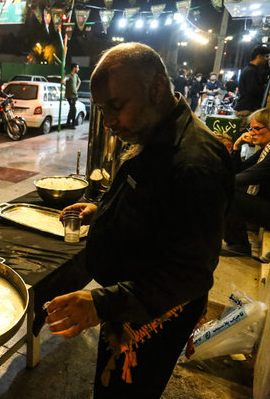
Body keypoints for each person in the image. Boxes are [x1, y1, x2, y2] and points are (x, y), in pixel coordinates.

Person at [45, 43, 233, 398]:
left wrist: (100, 303)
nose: (109, 121)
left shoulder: (194, 163)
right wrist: (101, 210)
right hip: (127, 301)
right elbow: (153, 206)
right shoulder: (153, 133)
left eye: (116, 107)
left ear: (157, 87)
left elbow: (188, 274)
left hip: (156, 312)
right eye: (102, 110)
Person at [223, 108, 270, 260]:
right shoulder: (265, 150)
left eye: (257, 128)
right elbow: (239, 172)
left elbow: (243, 178)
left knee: (227, 191)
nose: (252, 133)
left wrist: (213, 182)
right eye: (251, 128)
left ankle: (239, 244)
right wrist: (236, 147)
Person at [235, 45, 270, 116]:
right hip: (247, 110)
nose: (267, 60)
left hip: (248, 109)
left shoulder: (252, 69)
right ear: (259, 56)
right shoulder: (251, 71)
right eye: (266, 57)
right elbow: (253, 90)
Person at [64, 63, 81, 128]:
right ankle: (72, 124)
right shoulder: (69, 75)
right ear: (74, 68)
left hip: (75, 95)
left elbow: (79, 81)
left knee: (72, 109)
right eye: (77, 68)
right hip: (70, 96)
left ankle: (68, 123)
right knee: (73, 109)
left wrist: (76, 88)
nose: (78, 69)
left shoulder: (76, 76)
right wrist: (64, 81)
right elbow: (65, 79)